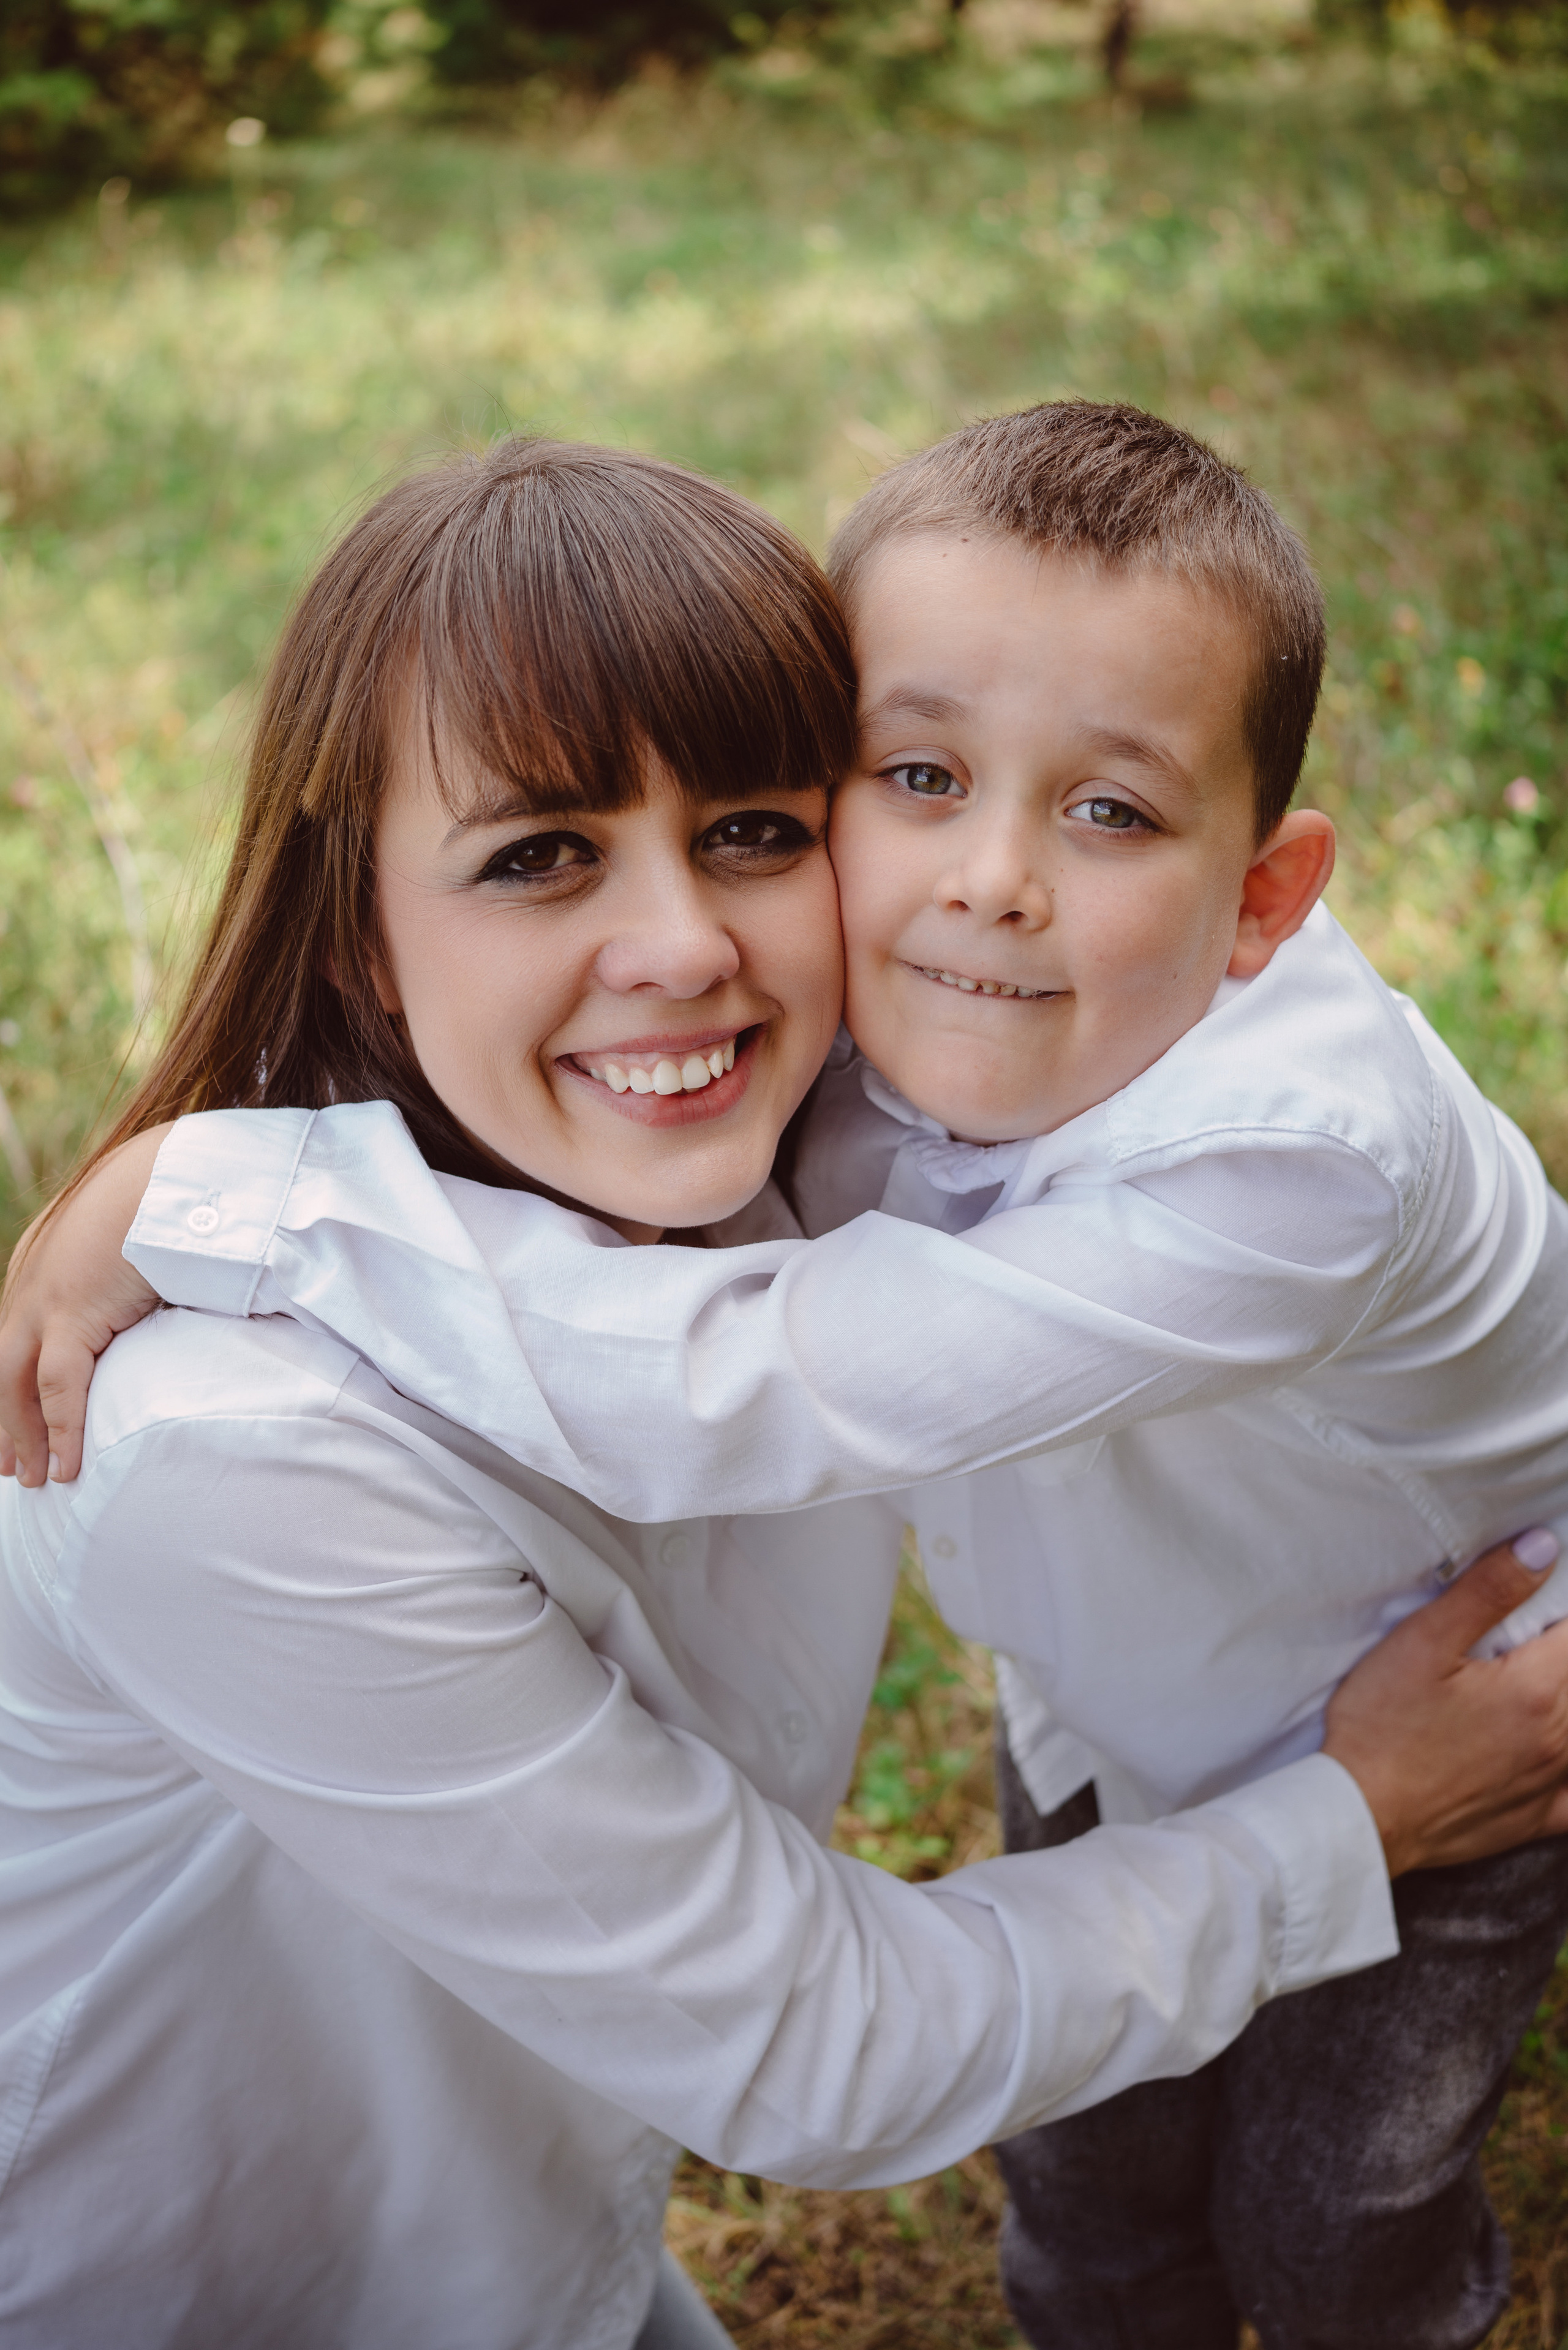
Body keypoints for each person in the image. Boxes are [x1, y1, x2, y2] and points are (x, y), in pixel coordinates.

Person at [22, 405, 1568, 2350]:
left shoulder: (1079, 1134)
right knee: (1108, 2216)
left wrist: (220, 1186)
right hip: (186, 2297)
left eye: (753, 831)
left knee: (1337, 2218)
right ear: (363, 941)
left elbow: (749, 1374)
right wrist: (233, 1194)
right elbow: (828, 2043)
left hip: (539, 2250)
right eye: (538, 857)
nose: (683, 949)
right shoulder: (229, 1452)